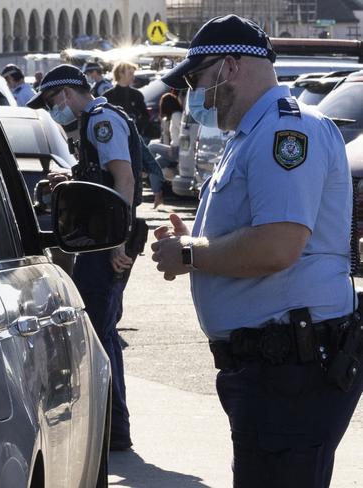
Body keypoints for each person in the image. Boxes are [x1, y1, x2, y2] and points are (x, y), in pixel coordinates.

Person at [150, 15, 363, 488]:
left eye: (195, 80)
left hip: (291, 372)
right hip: (274, 372)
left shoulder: (283, 134)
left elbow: (277, 246)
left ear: (228, 68)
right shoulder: (251, 135)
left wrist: (190, 254)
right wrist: (197, 243)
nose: (192, 95)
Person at [27, 64, 145, 451]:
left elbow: (123, 179)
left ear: (65, 94)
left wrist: (117, 241)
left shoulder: (101, 120)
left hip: (108, 241)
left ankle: (116, 427)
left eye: (50, 101)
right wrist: (71, 178)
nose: (51, 110)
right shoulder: (95, 121)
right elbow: (102, 177)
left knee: (99, 332)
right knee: (101, 329)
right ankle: (114, 425)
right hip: (102, 238)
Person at [103, 61, 148, 136]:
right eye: (130, 74)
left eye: (133, 74)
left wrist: (138, 130)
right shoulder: (107, 96)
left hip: (134, 139)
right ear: (121, 73)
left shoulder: (137, 95)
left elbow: (145, 116)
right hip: (115, 138)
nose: (133, 77)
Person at [148, 92, 183, 181]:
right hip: (174, 149)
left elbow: (183, 133)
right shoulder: (173, 116)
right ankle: (157, 193)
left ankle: (144, 170)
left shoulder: (176, 115)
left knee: (152, 147)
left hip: (176, 149)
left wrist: (173, 147)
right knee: (154, 166)